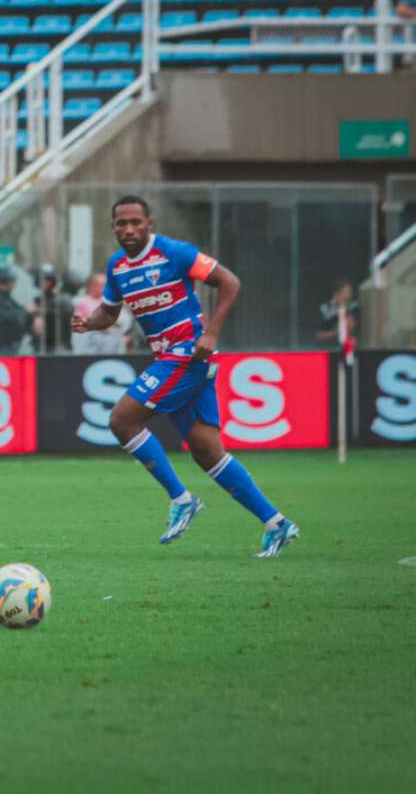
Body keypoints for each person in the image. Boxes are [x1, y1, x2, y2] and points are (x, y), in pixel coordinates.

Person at [72, 195, 299, 558]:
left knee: (122, 420)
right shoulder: (117, 266)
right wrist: (88, 322)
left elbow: (230, 282)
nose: (128, 229)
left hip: (188, 353)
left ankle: (181, 499)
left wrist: (212, 332)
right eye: (121, 223)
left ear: (149, 223)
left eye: (135, 222)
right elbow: (109, 313)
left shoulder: (175, 252)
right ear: (113, 227)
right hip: (170, 357)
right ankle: (277, 524)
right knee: (207, 450)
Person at [71, 272, 133, 354]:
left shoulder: (111, 301)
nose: (108, 288)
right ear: (92, 286)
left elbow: (125, 322)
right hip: (91, 347)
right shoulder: (81, 302)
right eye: (104, 285)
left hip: (113, 345)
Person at [33, 264, 73, 353]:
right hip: (41, 347)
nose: (45, 282)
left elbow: (63, 320)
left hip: (59, 347)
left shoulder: (63, 299)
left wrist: (41, 313)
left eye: (48, 279)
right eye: (42, 279)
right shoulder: (38, 300)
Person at [316, 279, 359, 348]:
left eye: (350, 292)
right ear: (336, 294)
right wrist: (335, 332)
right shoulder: (324, 309)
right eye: (346, 293)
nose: (349, 296)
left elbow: (350, 326)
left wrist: (342, 307)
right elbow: (319, 336)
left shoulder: (353, 306)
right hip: (327, 347)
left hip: (347, 347)